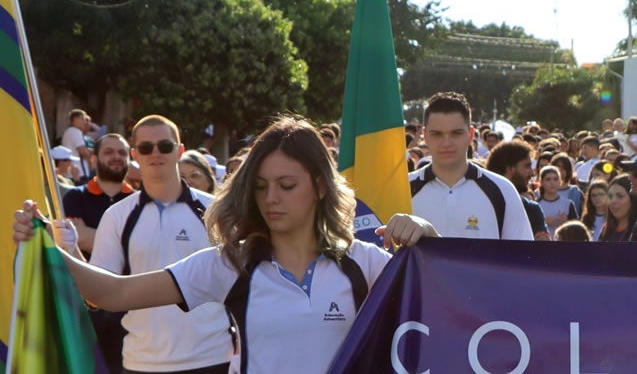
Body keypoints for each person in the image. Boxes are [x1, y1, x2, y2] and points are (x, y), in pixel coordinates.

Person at [13, 115, 434, 374]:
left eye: (287, 186)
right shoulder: (231, 264)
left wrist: (425, 235)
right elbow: (111, 293)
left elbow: (450, 303)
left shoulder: (366, 262)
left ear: (321, 187)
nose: (271, 198)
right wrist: (46, 244)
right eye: (263, 186)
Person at [66, 115, 233, 373]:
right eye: (146, 148)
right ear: (135, 154)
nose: (155, 153)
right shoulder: (117, 216)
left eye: (164, 146)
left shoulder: (215, 210)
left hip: (212, 358)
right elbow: (98, 295)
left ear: (179, 151)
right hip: (142, 361)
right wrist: (66, 251)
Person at [409, 91, 533, 240]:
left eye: (456, 133)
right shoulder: (403, 189)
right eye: (437, 134)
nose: (446, 143)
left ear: (470, 134)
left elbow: (522, 258)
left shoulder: (503, 191)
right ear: (425, 135)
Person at [61, 133, 134, 373]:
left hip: (129, 303)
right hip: (84, 302)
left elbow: (136, 249)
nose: (116, 157)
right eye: (109, 152)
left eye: (122, 153)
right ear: (93, 159)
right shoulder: (75, 197)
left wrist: (88, 234)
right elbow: (72, 240)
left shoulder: (139, 201)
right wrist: (123, 242)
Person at [486, 140, 550, 240]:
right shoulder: (478, 205)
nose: (532, 173)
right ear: (509, 170)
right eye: (527, 166)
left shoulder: (531, 210)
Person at [599, 174, 637, 242]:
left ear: (633, 199)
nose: (613, 201)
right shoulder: (606, 230)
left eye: (620, 196)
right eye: (610, 196)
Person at [537, 166, 578, 238]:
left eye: (555, 179)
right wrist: (542, 222)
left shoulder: (568, 204)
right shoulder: (536, 205)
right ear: (541, 182)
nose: (552, 183)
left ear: (560, 181)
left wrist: (566, 223)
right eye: (548, 179)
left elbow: (577, 231)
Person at [62, 108, 93, 183]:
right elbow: (82, 151)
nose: (85, 122)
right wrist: (91, 161)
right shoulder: (76, 131)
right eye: (82, 118)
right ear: (75, 119)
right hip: (78, 174)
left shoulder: (68, 131)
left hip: (71, 173)